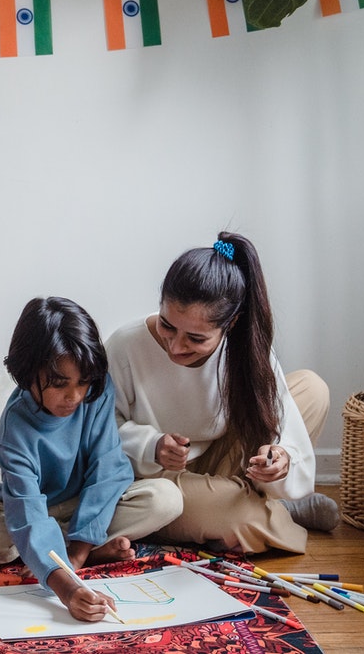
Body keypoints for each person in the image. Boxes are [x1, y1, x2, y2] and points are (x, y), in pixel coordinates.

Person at [0, 296, 182, 622]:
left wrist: (76, 553)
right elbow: (26, 510)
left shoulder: (97, 393)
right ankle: (50, 547)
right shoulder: (16, 426)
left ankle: (56, 548)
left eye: (82, 382)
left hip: (82, 505)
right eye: (59, 384)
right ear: (28, 371)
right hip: (23, 509)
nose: (74, 396)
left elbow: (108, 469)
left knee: (166, 498)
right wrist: (69, 589)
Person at [106, 232, 337, 555]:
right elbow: (95, 430)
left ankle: (242, 506)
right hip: (157, 481)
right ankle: (272, 510)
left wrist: (280, 460)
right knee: (242, 518)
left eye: (195, 339)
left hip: (222, 461)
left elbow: (279, 422)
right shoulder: (125, 346)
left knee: (311, 389)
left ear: (231, 324)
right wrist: (151, 445)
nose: (175, 346)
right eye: (167, 326)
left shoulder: (243, 349)